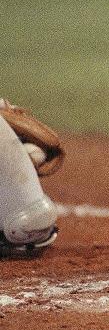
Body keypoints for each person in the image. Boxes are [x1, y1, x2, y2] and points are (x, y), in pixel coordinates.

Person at [0, 101, 60, 256]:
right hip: (23, 219)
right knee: (29, 217)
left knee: (29, 218)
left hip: (23, 219)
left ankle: (18, 210)